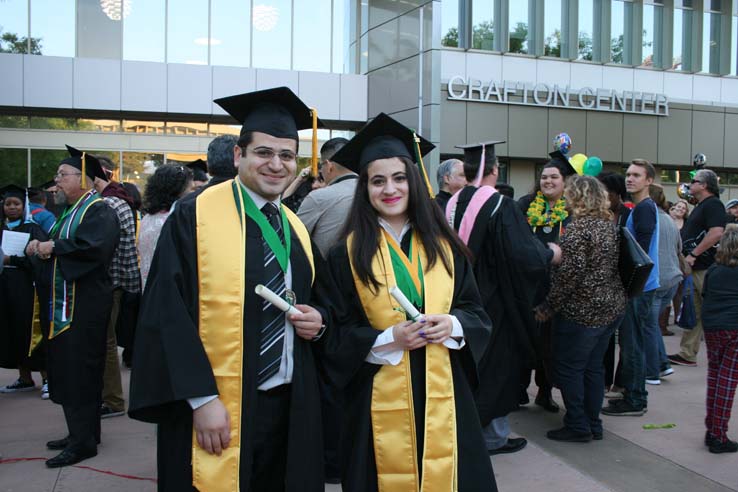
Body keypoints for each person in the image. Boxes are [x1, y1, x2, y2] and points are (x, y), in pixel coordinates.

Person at [129, 87, 329, 492]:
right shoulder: (195, 214)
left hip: (287, 405)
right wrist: (201, 401)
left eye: (286, 155)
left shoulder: (294, 227)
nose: (276, 164)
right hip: (217, 405)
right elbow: (168, 312)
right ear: (239, 155)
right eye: (264, 153)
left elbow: (320, 301)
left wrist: (319, 321)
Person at [324, 112, 496, 491]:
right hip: (376, 400)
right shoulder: (346, 254)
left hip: (445, 395)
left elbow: (476, 313)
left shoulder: (446, 247)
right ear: (364, 188)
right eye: (378, 181)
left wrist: (451, 324)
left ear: (413, 182)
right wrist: (388, 339)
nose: (390, 189)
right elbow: (334, 333)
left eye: (400, 178)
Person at [446, 140, 559, 456]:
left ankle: (462, 430)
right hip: (496, 305)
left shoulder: (450, 204)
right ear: (494, 170)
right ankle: (492, 438)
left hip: (458, 301)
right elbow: (524, 256)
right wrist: (549, 252)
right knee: (499, 368)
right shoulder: (501, 206)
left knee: (469, 368)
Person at [25, 146, 119, 468]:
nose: (57, 181)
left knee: (81, 371)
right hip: (67, 306)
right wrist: (39, 247)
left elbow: (94, 249)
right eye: (57, 176)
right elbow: (62, 248)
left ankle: (83, 442)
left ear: (86, 179)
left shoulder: (98, 210)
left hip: (85, 307)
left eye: (63, 175)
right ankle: (81, 433)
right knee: (69, 369)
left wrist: (55, 247)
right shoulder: (69, 211)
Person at [535, 175, 626, 442]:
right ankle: (592, 423)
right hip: (610, 308)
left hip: (583, 311)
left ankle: (577, 424)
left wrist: (548, 306)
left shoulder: (577, 229)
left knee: (569, 368)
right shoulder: (608, 225)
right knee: (593, 368)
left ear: (577, 196)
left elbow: (569, 276)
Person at [602, 159, 660, 417]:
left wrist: (628, 281)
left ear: (649, 181)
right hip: (640, 286)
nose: (630, 179)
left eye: (637, 175)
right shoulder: (641, 207)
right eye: (628, 174)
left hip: (640, 287)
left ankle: (636, 399)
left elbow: (642, 253)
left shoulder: (644, 208)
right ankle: (631, 393)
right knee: (630, 343)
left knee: (632, 343)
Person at [518, 159, 576, 413]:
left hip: (556, 286)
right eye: (544, 177)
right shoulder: (525, 205)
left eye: (554, 177)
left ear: (565, 181)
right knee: (521, 338)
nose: (548, 182)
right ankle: (516, 391)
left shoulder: (573, 209)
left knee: (548, 343)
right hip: (527, 283)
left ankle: (544, 391)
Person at [92, 157, 140, 419]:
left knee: (107, 342)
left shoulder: (109, 203)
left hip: (112, 282)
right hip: (119, 281)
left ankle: (112, 399)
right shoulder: (118, 197)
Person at [668, 169, 726, 367]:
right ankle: (687, 353)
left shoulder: (713, 205)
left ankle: (718, 352)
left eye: (694, 181)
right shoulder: (703, 205)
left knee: (708, 308)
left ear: (704, 185)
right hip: (695, 266)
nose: (689, 184)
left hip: (703, 266)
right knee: (695, 310)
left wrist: (694, 255)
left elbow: (717, 233)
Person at [0, 185, 50, 398]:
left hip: (26, 289)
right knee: (12, 331)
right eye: (8, 204)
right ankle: (25, 378)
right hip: (5, 288)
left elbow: (39, 258)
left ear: (24, 206)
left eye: (16, 204)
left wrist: (14, 260)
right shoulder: (3, 227)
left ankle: (48, 379)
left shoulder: (33, 228)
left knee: (31, 331)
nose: (11, 208)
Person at [702, 225, 738, 454]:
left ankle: (712, 428)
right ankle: (718, 434)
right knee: (727, 382)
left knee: (715, 377)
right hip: (734, 327)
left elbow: (706, 295)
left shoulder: (714, 270)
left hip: (713, 327)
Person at [643, 184, 682, 385]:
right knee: (652, 325)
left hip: (657, 280)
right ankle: (662, 364)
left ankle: (653, 370)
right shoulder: (669, 219)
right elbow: (679, 248)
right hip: (673, 278)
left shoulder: (651, 219)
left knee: (649, 325)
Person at [598, 171, 631, 395]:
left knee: (626, 338)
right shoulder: (599, 215)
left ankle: (621, 381)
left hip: (625, 283)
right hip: (603, 284)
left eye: (605, 191)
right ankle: (604, 380)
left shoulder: (629, 215)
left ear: (616, 193)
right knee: (605, 338)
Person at [296, 137, 354, 258]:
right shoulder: (373, 192)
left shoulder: (320, 197)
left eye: (321, 166)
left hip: (326, 273)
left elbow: (294, 238)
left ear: (328, 165)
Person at [138, 165, 193, 290]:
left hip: (148, 288)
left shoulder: (148, 217)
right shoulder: (174, 220)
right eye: (190, 189)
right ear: (177, 191)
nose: (192, 193)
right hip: (168, 289)